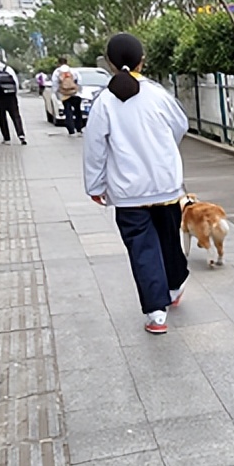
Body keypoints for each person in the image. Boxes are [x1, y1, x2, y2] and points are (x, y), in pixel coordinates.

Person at [83, 33, 190, 335]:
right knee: (169, 240)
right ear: (143, 59)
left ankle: (157, 313)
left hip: (127, 193)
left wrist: (95, 186)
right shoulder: (157, 95)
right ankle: (174, 286)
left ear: (109, 63)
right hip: (165, 185)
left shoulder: (103, 102)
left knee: (142, 249)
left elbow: (94, 148)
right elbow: (180, 126)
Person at [0, 50, 26, 145]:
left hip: (0, 96)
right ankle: (21, 135)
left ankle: (7, 138)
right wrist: (15, 93)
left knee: (2, 117)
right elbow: (15, 81)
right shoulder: (8, 68)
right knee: (16, 116)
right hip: (11, 95)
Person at [52, 63, 84, 136]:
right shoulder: (74, 71)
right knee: (78, 112)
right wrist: (79, 91)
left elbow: (55, 85)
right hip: (76, 94)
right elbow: (80, 81)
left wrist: (57, 95)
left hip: (65, 95)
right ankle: (79, 128)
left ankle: (71, 130)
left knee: (68, 112)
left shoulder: (57, 73)